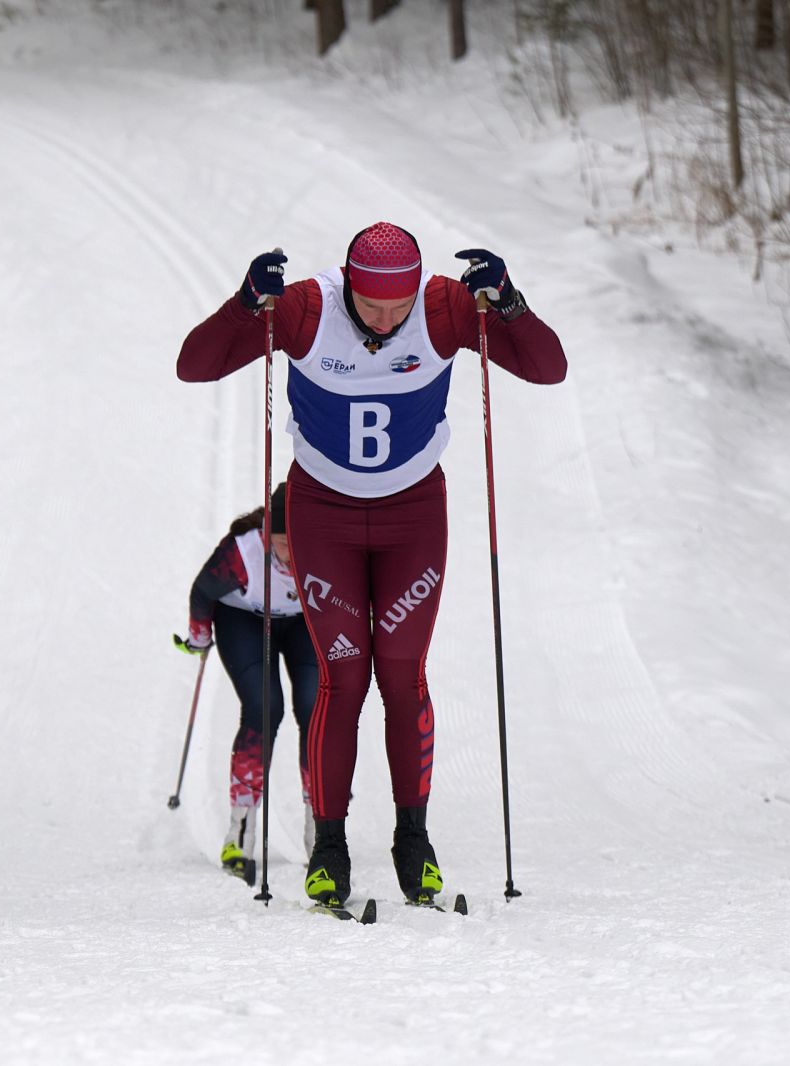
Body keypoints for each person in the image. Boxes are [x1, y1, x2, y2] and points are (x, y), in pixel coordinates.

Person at [177, 223, 566, 907]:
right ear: (349, 284)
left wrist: (508, 305)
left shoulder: (444, 306)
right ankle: (329, 848)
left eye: (399, 308)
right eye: (372, 307)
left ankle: (413, 839)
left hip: (412, 515)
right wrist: (244, 304)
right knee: (342, 680)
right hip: (323, 514)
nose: (385, 323)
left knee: (404, 675)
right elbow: (197, 364)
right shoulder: (306, 310)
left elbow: (545, 366)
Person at [175, 483, 319, 887]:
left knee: (315, 709)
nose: (289, 554)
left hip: (301, 623)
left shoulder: (326, 545)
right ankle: (239, 834)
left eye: (297, 543)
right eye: (280, 543)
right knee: (263, 706)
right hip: (244, 620)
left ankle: (321, 832)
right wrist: (199, 636)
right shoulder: (243, 552)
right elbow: (203, 592)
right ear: (265, 535)